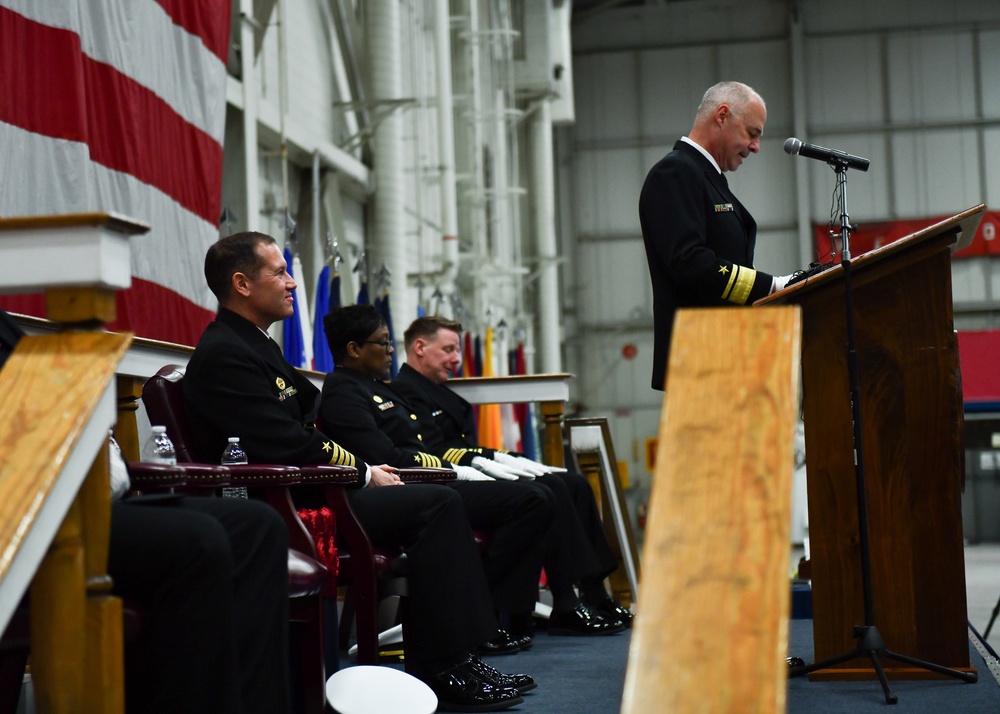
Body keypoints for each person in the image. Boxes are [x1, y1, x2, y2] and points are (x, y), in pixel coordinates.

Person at [182, 231, 529, 711]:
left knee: (438, 501)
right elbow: (281, 442)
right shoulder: (225, 352)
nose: (292, 284)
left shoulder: (250, 344)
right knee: (436, 504)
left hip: (310, 484)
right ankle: (444, 666)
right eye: (279, 272)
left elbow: (297, 427)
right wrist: (364, 473)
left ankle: (456, 659)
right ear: (241, 284)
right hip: (283, 500)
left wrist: (362, 468)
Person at [0, 309, 292, 714]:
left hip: (93, 492)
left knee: (258, 526)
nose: (290, 283)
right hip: (27, 512)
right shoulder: (226, 350)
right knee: (197, 541)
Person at [318, 305, 560, 653]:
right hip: (407, 488)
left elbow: (416, 442)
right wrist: (454, 469)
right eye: (382, 343)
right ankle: (490, 617)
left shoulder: (379, 388)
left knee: (537, 494)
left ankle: (497, 614)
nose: (390, 351)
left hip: (429, 481)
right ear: (354, 349)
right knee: (530, 499)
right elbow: (384, 455)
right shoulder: (344, 391)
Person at [391, 315, 632, 639]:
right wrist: (494, 459)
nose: (457, 359)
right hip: (451, 479)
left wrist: (506, 458)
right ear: (420, 347)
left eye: (457, 350)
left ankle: (594, 591)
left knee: (571, 482)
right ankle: (565, 601)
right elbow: (435, 450)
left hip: (470, 468)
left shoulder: (435, 392)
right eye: (448, 349)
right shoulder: (404, 392)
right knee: (551, 491)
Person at [638, 80, 790, 391]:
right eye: (752, 133)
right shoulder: (676, 174)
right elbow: (690, 263)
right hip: (699, 360)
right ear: (722, 115)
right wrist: (772, 286)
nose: (756, 147)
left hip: (723, 356)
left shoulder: (707, 178)